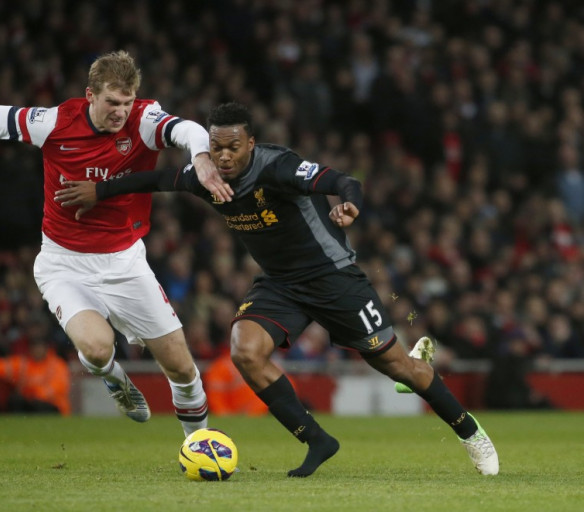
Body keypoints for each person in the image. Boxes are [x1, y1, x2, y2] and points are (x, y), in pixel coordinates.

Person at [54, 102, 499, 478]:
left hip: (333, 277)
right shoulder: (205, 176)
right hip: (280, 283)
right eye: (216, 147)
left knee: (398, 366)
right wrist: (100, 190)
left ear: (250, 143)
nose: (223, 156)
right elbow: (153, 181)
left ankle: (471, 433)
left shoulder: (280, 167)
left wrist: (350, 204)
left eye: (233, 147)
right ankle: (317, 440)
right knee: (245, 350)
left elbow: (345, 181)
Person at [0, 50, 234, 435]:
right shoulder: (55, 122)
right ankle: (114, 377)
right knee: (98, 349)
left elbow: (189, 130)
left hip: (124, 262)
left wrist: (200, 157)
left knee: (182, 368)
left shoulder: (143, 119)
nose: (121, 111)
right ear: (90, 95)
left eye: (127, 102)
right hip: (63, 264)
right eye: (112, 102)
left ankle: (197, 444)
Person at [0, 337, 71, 415]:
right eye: (34, 347)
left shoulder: (57, 365)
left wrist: (35, 393)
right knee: (15, 402)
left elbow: (59, 386)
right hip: (30, 404)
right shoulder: (23, 364)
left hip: (52, 407)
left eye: (39, 346)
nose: (37, 350)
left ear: (46, 348)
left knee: (38, 406)